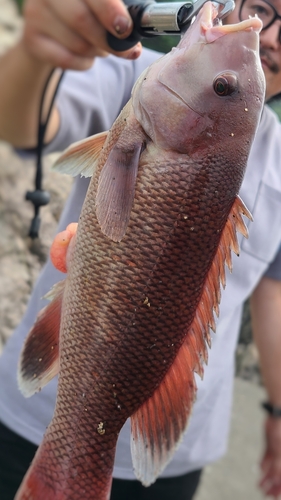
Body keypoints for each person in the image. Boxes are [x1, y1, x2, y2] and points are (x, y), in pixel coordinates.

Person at [0, 0, 281, 499]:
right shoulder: (127, 77)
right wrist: (35, 52)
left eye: (224, 88)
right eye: (263, 9)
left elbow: (273, 296)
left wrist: (278, 413)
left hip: (179, 453)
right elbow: (20, 124)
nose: (269, 34)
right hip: (30, 420)